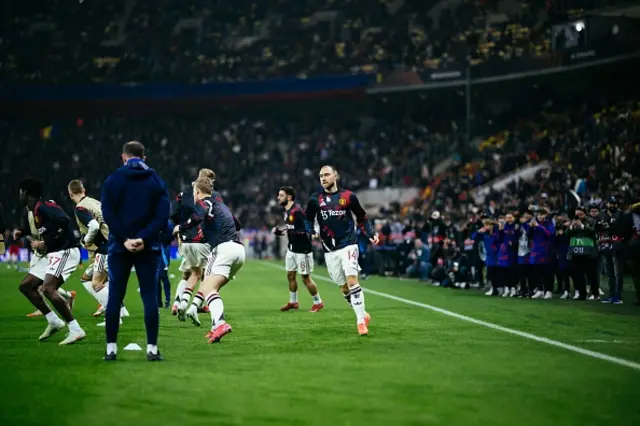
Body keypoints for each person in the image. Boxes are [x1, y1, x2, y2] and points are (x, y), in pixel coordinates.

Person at [101, 141, 170, 361]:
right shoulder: (155, 181)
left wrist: (124, 239)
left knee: (115, 297)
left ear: (124, 157)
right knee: (150, 297)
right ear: (144, 157)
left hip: (119, 247)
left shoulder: (113, 180)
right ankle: (151, 349)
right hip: (148, 247)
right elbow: (162, 216)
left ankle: (111, 349)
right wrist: (143, 237)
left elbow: (108, 213)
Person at [304, 165, 378, 336]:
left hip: (348, 245)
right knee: (344, 289)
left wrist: (370, 233)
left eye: (327, 175)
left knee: (352, 280)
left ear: (335, 176)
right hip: (329, 250)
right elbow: (308, 220)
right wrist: (311, 232)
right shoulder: (315, 199)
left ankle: (360, 321)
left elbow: (361, 217)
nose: (323, 178)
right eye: (321, 176)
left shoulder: (348, 196)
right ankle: (363, 314)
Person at [174, 178, 245, 343]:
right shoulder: (221, 205)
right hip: (238, 250)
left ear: (197, 192)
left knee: (207, 288)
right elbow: (237, 223)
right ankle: (215, 327)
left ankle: (220, 323)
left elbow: (198, 216)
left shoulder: (204, 203)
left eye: (194, 192)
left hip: (224, 249)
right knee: (212, 288)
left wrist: (181, 227)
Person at [16, 179, 85, 344]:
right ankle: (54, 321)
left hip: (65, 251)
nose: (19, 196)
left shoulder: (44, 206)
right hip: (53, 253)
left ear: (26, 193)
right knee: (26, 286)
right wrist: (26, 232)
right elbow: (49, 227)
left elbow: (63, 221)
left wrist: (45, 242)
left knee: (47, 289)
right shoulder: (35, 209)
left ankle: (76, 329)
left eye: (20, 192)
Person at [68, 179, 129, 325]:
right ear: (84, 190)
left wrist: (86, 241)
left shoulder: (80, 207)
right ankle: (121, 309)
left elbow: (94, 226)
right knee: (89, 278)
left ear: (70, 194)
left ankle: (114, 315)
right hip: (115, 243)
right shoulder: (95, 203)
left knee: (95, 283)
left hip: (106, 248)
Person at [171, 168, 216, 317]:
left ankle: (177, 303)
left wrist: (180, 230)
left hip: (184, 238)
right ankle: (196, 304)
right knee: (203, 273)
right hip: (200, 239)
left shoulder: (182, 194)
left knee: (187, 273)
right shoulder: (209, 197)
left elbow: (173, 214)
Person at [274, 186, 323, 312]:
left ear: (289, 197)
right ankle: (293, 302)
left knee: (305, 278)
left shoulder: (297, 211)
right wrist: (282, 231)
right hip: (292, 249)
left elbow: (305, 228)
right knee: (290, 275)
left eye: (281, 195)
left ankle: (318, 302)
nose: (278, 198)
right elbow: (292, 226)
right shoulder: (288, 211)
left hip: (303, 250)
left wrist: (296, 231)